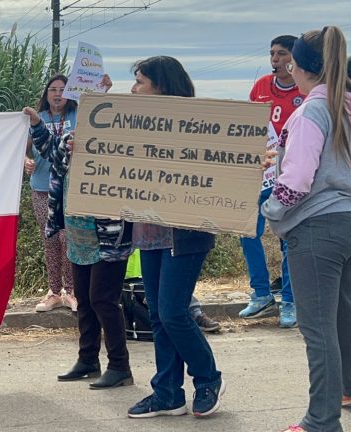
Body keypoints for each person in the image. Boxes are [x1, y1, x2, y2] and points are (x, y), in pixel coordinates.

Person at [260, 26, 351, 432]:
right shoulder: (343, 106)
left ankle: (321, 421)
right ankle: (343, 392)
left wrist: (271, 208)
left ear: (298, 66)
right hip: (347, 219)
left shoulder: (312, 111)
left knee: (318, 329)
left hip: (316, 229)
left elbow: (297, 181)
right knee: (343, 320)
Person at [125, 56, 224, 419]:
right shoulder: (134, 128)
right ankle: (167, 393)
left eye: (140, 82)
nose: (134, 90)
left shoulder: (196, 125)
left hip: (185, 234)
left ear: (162, 87)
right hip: (149, 233)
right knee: (158, 315)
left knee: (172, 312)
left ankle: (208, 378)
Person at [23, 73, 135, 390]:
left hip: (110, 234)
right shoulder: (70, 137)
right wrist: (34, 121)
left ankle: (120, 366)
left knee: (103, 299)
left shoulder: (118, 139)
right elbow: (46, 149)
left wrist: (104, 90)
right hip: (78, 232)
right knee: (84, 299)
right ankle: (88, 359)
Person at [238, 35, 303, 328]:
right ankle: (262, 294)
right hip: (260, 171)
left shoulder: (305, 91)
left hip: (290, 173)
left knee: (287, 238)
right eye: (272, 54)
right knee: (247, 230)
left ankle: (290, 300)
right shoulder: (262, 86)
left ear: (295, 59)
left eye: (282, 54)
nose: (275, 59)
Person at [26, 74, 77, 313]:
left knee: (68, 238)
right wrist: (25, 160)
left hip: (70, 188)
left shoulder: (78, 116)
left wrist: (103, 90)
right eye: (53, 89)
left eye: (62, 89)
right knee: (50, 240)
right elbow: (21, 150)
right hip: (41, 187)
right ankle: (54, 292)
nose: (58, 94)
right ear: (46, 95)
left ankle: (72, 291)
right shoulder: (36, 119)